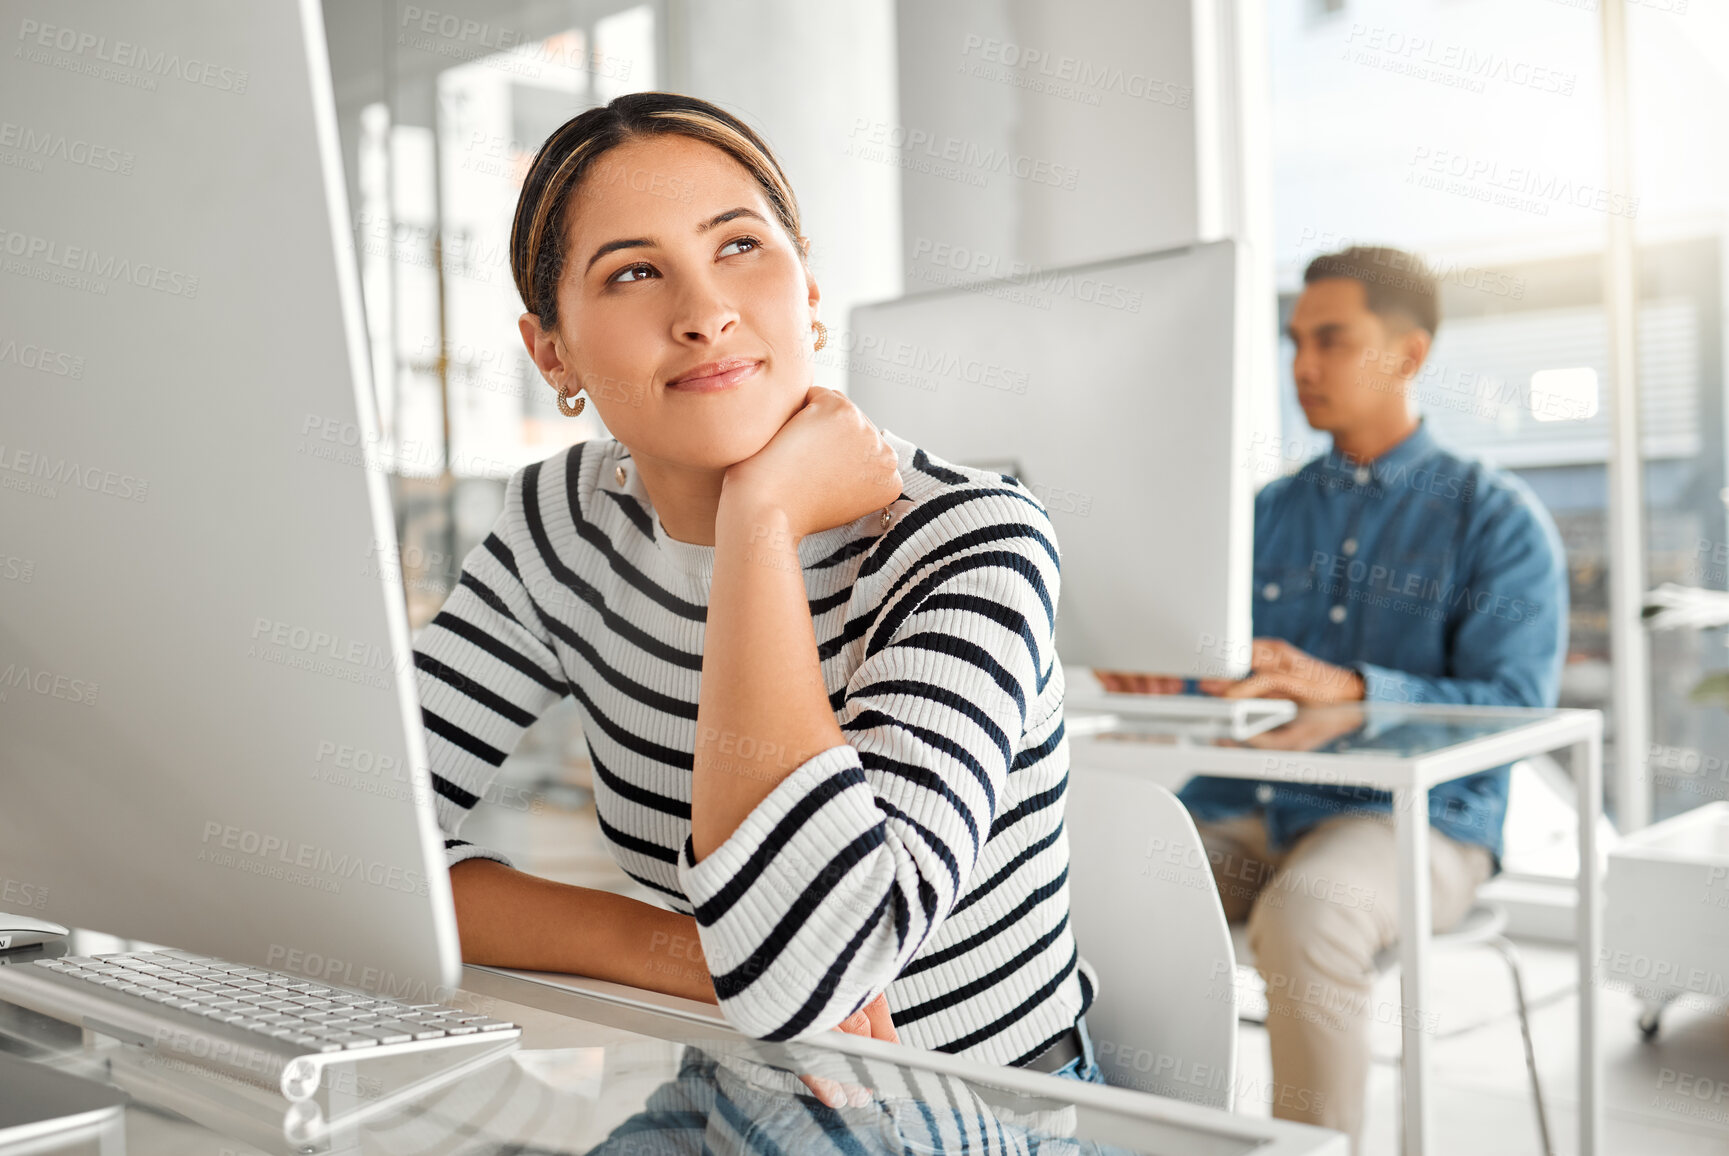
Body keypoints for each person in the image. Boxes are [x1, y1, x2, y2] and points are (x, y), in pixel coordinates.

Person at [409, 91, 1098, 1091]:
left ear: (806, 285)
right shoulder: (563, 520)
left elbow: (809, 972)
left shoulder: (968, 536)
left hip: (979, 1104)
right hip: (733, 1077)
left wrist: (762, 523)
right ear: (550, 351)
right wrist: (692, 956)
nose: (704, 313)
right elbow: (356, 847)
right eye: (634, 272)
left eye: (738, 247)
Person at [1096, 246, 1569, 1149]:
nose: (1300, 366)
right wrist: (1163, 669)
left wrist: (1354, 690)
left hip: (1418, 822)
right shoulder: (1263, 513)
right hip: (1249, 804)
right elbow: (1231, 669)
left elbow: (1514, 702)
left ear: (1408, 354)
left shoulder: (1494, 518)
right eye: (1292, 342)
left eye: (1329, 340)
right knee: (1111, 882)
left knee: (1307, 914)